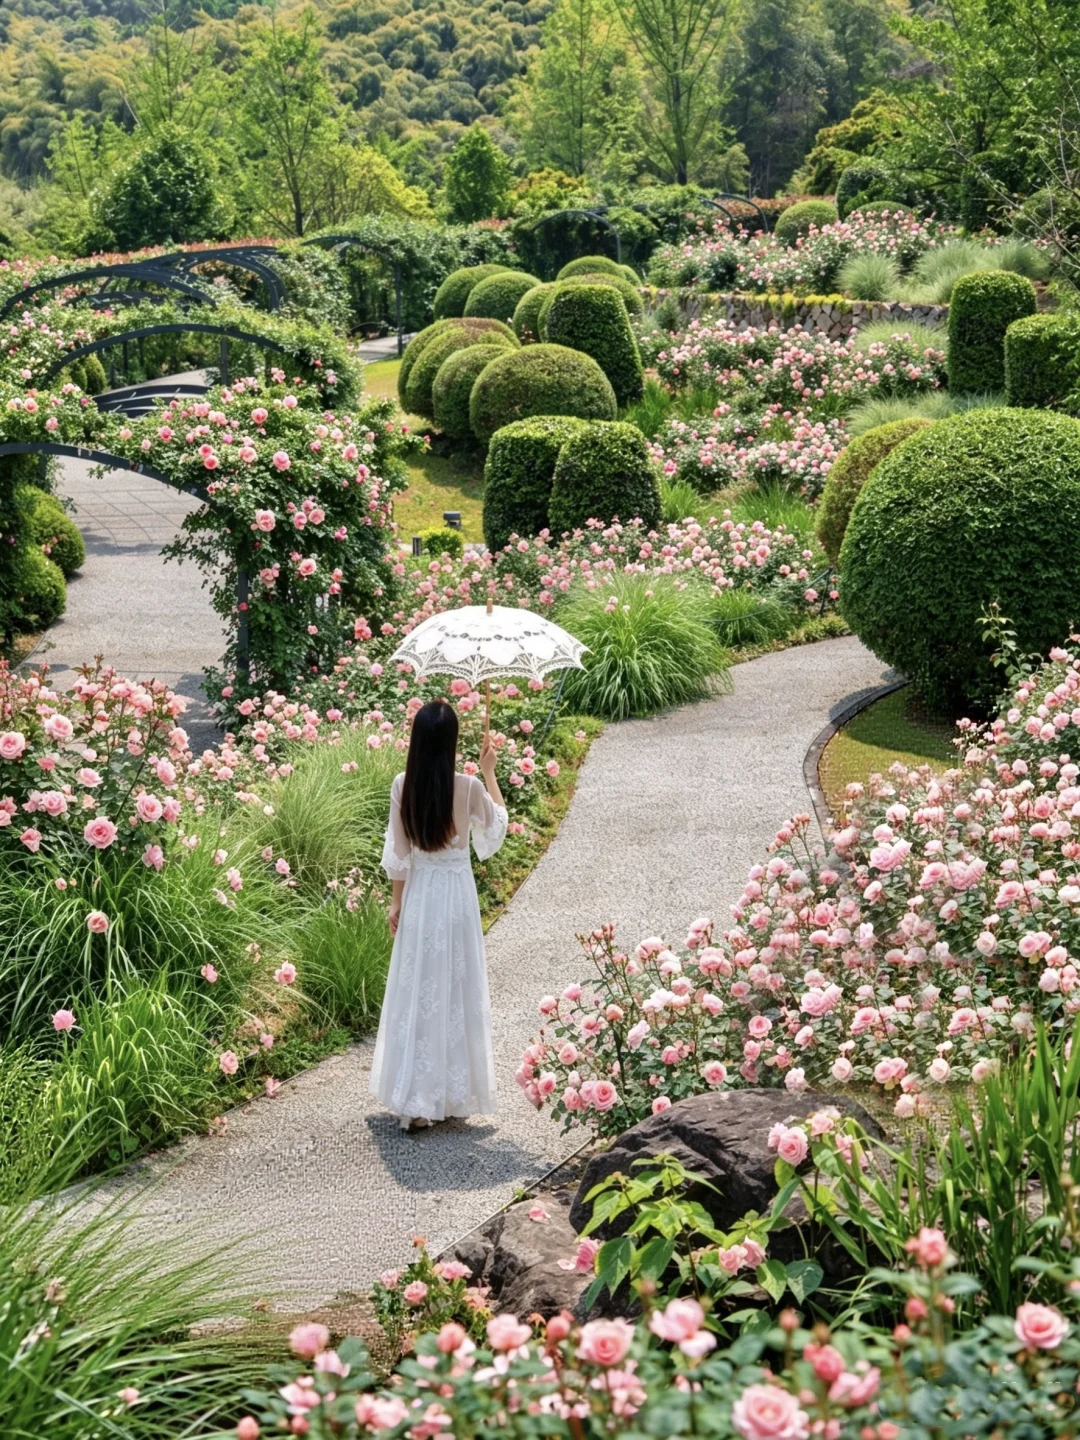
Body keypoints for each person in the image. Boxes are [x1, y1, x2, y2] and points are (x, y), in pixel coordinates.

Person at [370, 699, 508, 1130]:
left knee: (419, 989)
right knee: (454, 987)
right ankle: (448, 1094)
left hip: (421, 894)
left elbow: (400, 854)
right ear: (451, 742)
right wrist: (489, 771)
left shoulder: (401, 784)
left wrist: (396, 902)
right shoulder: (468, 787)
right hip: (457, 896)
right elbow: (497, 830)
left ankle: (415, 1101)